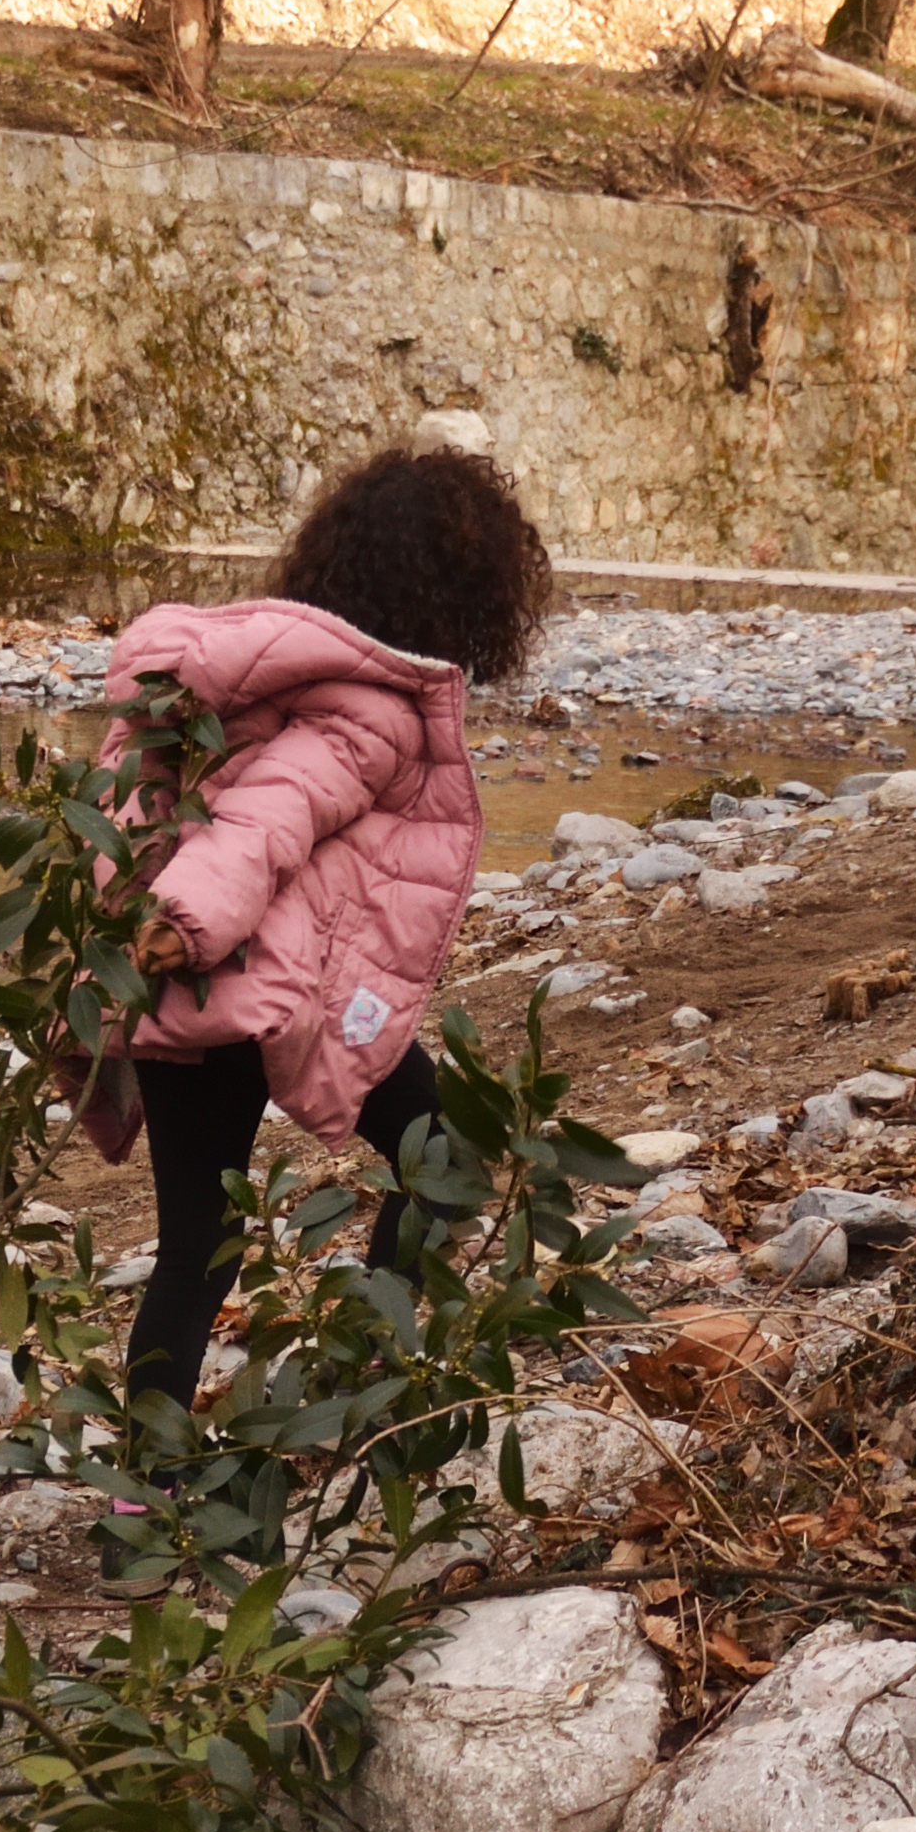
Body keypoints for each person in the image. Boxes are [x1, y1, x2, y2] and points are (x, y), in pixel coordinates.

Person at [102, 442, 549, 1418]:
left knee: (193, 1250)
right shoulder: (374, 712)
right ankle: (372, 1377)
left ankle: (147, 1484)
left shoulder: (260, 680)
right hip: (245, 971)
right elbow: (270, 817)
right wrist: (189, 915)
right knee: (445, 1158)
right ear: (463, 593)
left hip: (190, 986)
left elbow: (149, 803)